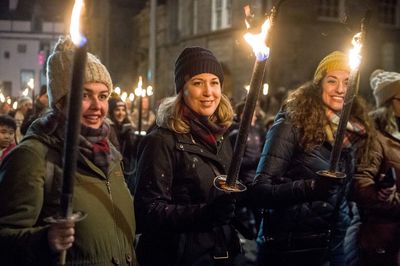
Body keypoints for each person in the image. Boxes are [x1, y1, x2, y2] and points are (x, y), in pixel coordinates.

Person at [0, 36, 137, 265]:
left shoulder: (110, 153)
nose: (97, 106)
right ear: (61, 101)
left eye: (102, 96)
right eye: (84, 95)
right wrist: (45, 240)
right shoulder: (33, 156)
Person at [252, 51, 375, 266]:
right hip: (290, 248)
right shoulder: (291, 124)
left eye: (347, 82)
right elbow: (260, 190)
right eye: (332, 81)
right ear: (319, 84)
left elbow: (342, 195)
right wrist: (311, 187)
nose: (340, 89)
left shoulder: (355, 132)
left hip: (335, 247)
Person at [134, 46, 244, 265]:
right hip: (178, 257)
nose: (208, 92)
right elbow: (149, 211)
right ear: (181, 89)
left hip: (221, 253)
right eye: (197, 83)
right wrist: (206, 214)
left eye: (214, 82)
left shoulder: (221, 137)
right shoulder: (162, 140)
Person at [353, 69, 400, 266]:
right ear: (390, 102)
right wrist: (390, 198)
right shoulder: (375, 139)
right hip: (382, 235)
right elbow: (361, 185)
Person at [108, 96, 138, 193]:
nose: (121, 113)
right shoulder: (108, 128)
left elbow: (133, 151)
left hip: (125, 172)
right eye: (117, 110)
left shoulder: (127, 126)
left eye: (123, 110)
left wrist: (130, 137)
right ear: (111, 111)